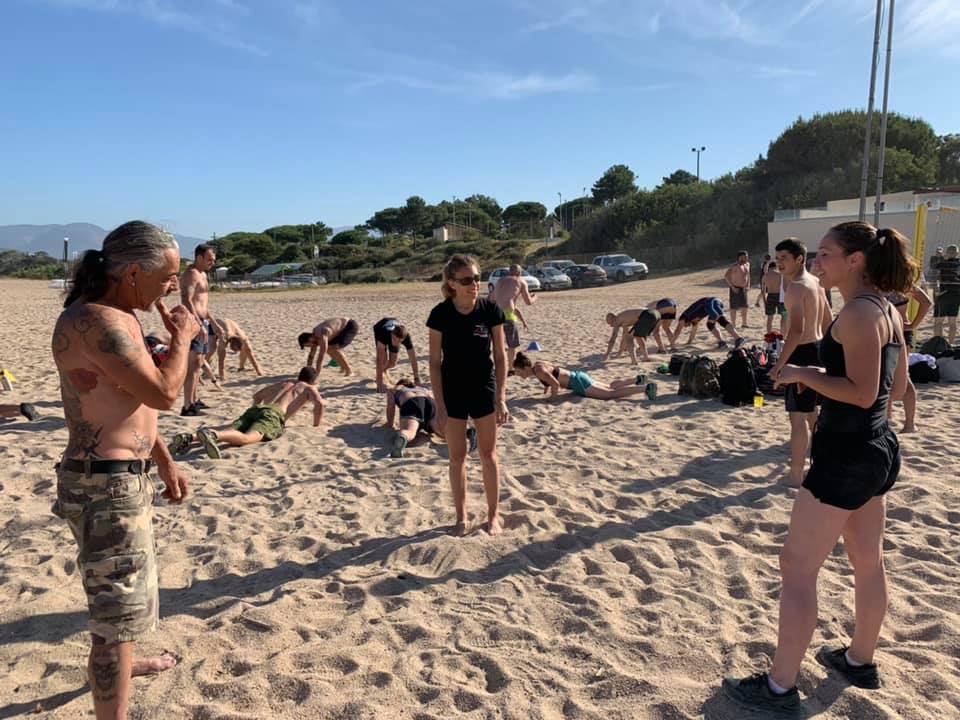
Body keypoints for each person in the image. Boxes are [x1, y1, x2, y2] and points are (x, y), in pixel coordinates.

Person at [723, 222, 915, 716]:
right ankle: (859, 660)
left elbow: (864, 391)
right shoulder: (889, 311)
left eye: (826, 255)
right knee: (867, 560)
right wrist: (824, 381)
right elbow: (894, 393)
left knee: (797, 567)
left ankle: (781, 687)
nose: (817, 263)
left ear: (855, 260)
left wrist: (805, 373)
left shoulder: (855, 314)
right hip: (877, 447)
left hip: (846, 454)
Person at [50, 220, 199, 720]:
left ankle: (127, 665)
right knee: (114, 619)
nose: (172, 285)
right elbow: (163, 394)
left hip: (118, 477)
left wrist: (165, 460)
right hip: (104, 484)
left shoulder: (118, 315)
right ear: (133, 272)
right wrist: (184, 339)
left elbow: (131, 404)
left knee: (126, 603)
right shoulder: (97, 321)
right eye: (167, 276)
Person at [427, 254, 509, 536]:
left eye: (476, 278)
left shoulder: (490, 310)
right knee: (457, 457)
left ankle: (493, 515)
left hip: (483, 387)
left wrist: (501, 397)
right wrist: (439, 404)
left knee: (488, 454)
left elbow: (500, 356)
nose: (474, 284)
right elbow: (434, 363)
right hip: (452, 390)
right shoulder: (440, 314)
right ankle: (461, 517)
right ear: (451, 284)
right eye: (466, 280)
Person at [769, 239, 831, 488]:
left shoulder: (796, 287)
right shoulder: (816, 282)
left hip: (801, 352)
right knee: (812, 415)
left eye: (784, 257)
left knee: (797, 417)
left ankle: (796, 473)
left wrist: (778, 365)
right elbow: (828, 321)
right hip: (816, 350)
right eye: (777, 257)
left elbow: (796, 331)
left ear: (800, 259)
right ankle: (823, 461)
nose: (779, 262)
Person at [168, 367, 324, 459]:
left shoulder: (284, 383)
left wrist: (256, 412)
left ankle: (189, 438)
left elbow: (257, 396)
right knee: (247, 438)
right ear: (313, 380)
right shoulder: (309, 388)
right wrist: (316, 424)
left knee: (231, 430)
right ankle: (213, 436)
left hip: (256, 410)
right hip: (273, 415)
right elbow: (320, 404)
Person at [384, 378, 477, 458]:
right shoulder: (422, 389)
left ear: (400, 383)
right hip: (430, 403)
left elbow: (391, 406)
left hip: (411, 403)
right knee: (442, 431)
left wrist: (390, 423)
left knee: (409, 430)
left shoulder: (396, 389)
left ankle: (403, 438)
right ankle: (468, 432)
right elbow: (437, 399)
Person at [180, 244, 220, 416]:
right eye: (209, 259)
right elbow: (186, 300)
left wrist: (213, 323)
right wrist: (197, 323)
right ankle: (187, 405)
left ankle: (194, 399)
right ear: (199, 257)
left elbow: (203, 303)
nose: (212, 262)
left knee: (199, 364)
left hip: (202, 321)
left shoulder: (204, 274)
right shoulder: (191, 274)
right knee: (193, 364)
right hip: (193, 322)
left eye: (213, 259)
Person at [886, 284, 932, 433]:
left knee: (904, 377)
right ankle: (887, 416)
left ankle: (910, 423)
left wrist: (913, 325)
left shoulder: (901, 281)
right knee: (884, 375)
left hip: (900, 332)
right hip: (882, 331)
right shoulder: (873, 278)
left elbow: (926, 302)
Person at [513, 352, 651, 400]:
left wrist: (552, 399)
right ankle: (637, 379)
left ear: (525, 367)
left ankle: (645, 388)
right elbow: (550, 377)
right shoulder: (538, 365)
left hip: (577, 383)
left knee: (610, 394)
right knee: (610, 386)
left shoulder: (538, 371)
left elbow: (555, 384)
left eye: (519, 372)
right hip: (578, 376)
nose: (518, 375)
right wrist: (546, 389)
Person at [489, 263, 536, 368]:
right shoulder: (521, 281)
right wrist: (535, 297)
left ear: (509, 272)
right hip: (509, 317)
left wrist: (523, 321)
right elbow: (528, 302)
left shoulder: (500, 281)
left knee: (498, 345)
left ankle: (499, 366)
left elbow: (491, 299)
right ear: (520, 273)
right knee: (512, 345)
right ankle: (510, 367)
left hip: (495, 316)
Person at [670, 297, 743, 349]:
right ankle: (727, 341)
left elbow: (677, 331)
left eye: (685, 326)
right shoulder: (694, 321)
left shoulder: (684, 317)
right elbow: (693, 332)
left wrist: (672, 343)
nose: (686, 327)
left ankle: (735, 339)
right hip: (716, 302)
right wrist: (688, 342)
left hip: (709, 303)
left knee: (717, 320)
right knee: (714, 323)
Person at [373, 318, 421, 392]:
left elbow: (413, 359)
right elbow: (379, 360)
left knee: (393, 363)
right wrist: (379, 384)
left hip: (394, 329)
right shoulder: (383, 335)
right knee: (383, 360)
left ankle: (384, 371)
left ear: (404, 339)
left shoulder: (406, 338)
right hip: (380, 328)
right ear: (392, 334)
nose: (397, 343)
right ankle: (379, 376)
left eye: (400, 341)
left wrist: (416, 379)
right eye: (395, 339)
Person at [932, 244, 959, 344]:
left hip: (943, 294)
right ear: (957, 254)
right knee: (952, 322)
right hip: (956, 295)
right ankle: (950, 344)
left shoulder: (942, 263)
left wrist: (939, 256)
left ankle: (938, 344)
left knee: (939, 322)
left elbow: (934, 267)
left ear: (947, 253)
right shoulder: (957, 264)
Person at [724, 250, 751, 329]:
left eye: (747, 256)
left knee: (745, 306)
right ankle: (733, 324)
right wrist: (732, 287)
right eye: (745, 256)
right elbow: (726, 276)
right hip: (735, 288)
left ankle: (744, 323)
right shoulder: (735, 266)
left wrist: (748, 285)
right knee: (733, 307)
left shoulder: (747, 264)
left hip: (743, 288)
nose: (747, 258)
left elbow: (748, 276)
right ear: (740, 257)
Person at [759, 260, 785, 333]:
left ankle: (769, 334)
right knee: (784, 316)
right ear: (775, 267)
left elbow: (763, 291)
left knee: (770, 318)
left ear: (769, 267)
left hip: (770, 296)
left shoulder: (765, 276)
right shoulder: (780, 274)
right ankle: (783, 334)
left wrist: (764, 301)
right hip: (780, 297)